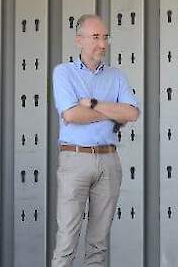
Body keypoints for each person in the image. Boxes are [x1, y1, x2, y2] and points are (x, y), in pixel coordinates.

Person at [51, 14, 141, 267]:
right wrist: (111, 111)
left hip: (109, 160)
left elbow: (132, 113)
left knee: (98, 245)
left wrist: (92, 104)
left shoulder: (117, 76)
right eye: (96, 37)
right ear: (79, 40)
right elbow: (71, 114)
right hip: (75, 159)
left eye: (105, 37)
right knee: (67, 240)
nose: (102, 44)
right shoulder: (64, 73)